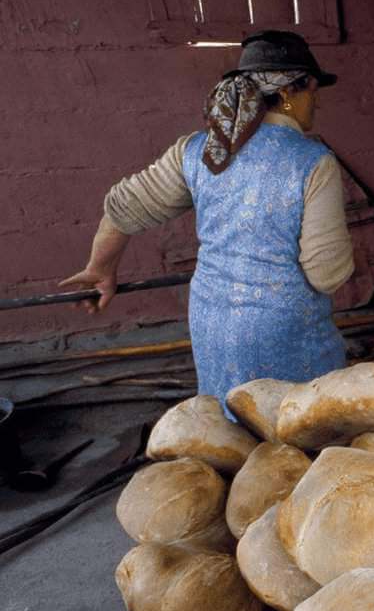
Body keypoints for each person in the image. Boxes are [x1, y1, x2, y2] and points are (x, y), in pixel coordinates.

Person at [61, 31, 354, 413]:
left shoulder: (197, 150)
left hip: (212, 323)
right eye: (312, 89)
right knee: (298, 431)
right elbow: (326, 274)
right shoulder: (313, 161)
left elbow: (124, 206)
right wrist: (349, 258)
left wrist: (100, 268)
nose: (315, 101)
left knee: (227, 433)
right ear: (289, 92)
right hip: (284, 332)